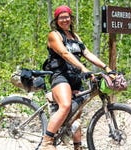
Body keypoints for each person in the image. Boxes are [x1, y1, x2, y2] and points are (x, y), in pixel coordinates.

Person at [40, 5, 112, 150]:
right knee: (66, 106)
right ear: (56, 20)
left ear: (71, 18)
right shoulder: (54, 35)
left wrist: (106, 68)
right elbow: (65, 53)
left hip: (75, 77)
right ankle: (47, 142)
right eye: (61, 17)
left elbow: (88, 54)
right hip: (60, 76)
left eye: (67, 17)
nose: (64, 20)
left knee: (77, 113)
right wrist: (83, 68)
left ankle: (77, 146)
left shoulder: (75, 37)